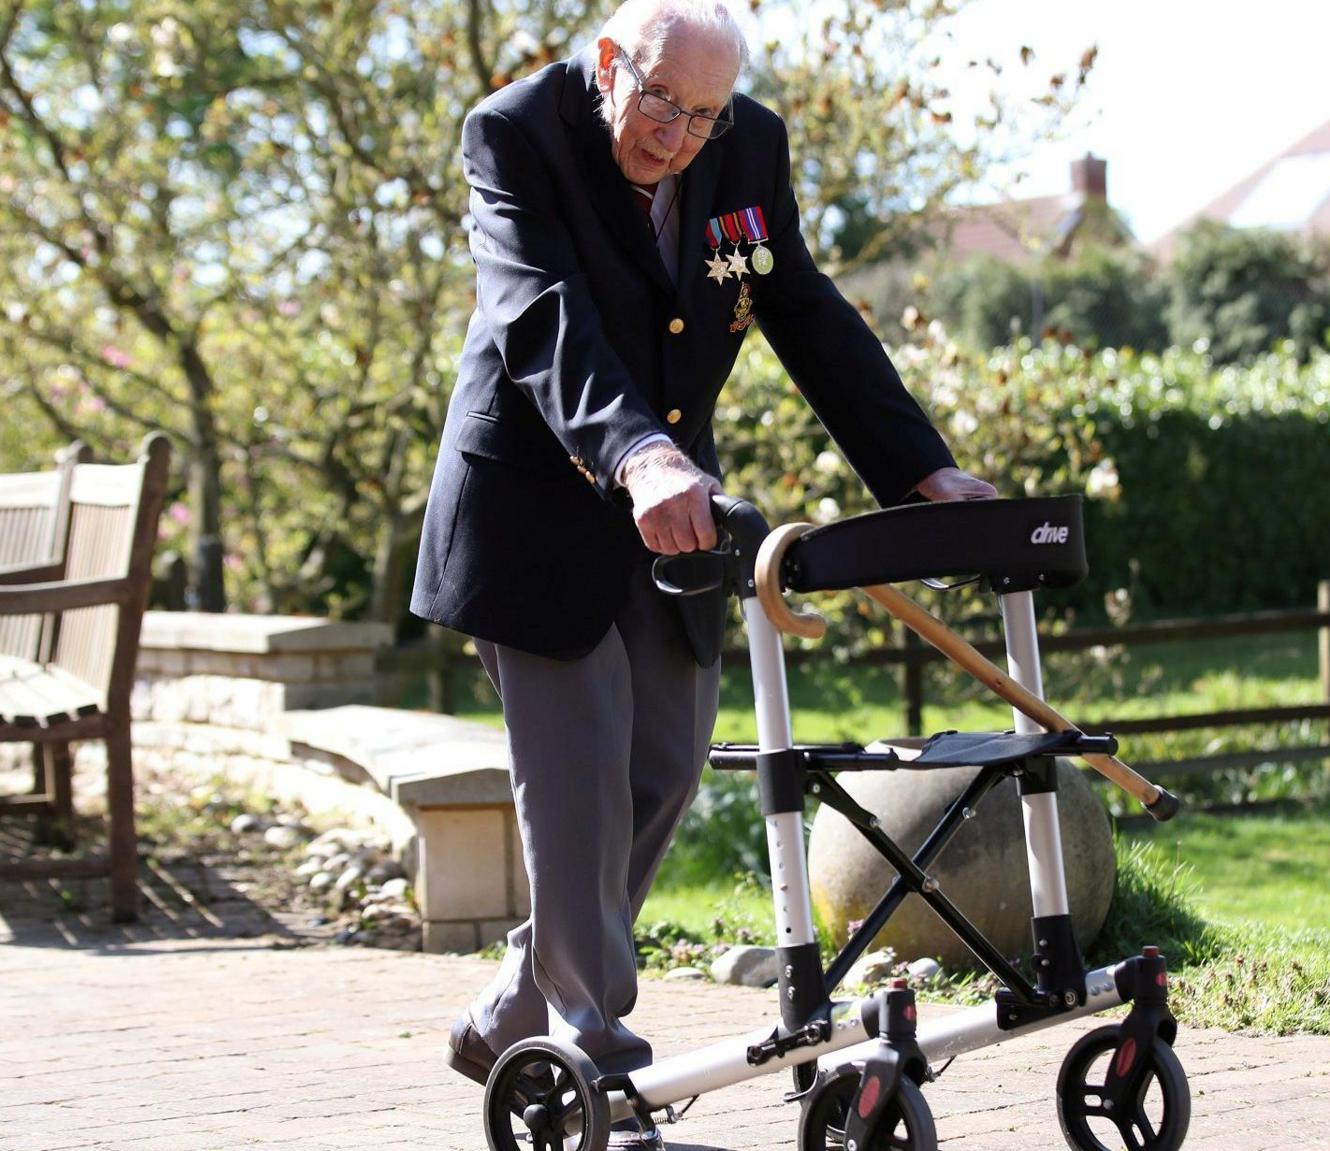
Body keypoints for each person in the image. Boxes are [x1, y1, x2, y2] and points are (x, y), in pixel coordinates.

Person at [410, 0, 994, 1143]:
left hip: (677, 519)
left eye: (703, 114)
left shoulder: (748, 143)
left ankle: (516, 1005)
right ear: (608, 64)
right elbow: (538, 313)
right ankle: (598, 1063)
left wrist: (919, 469)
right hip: (536, 506)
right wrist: (634, 452)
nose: (679, 136)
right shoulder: (515, 132)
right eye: (660, 103)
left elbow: (800, 305)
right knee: (575, 795)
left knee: (664, 770)